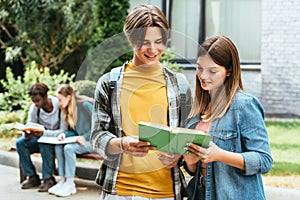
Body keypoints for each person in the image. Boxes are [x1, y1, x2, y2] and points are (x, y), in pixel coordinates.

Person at [90, 4, 192, 200]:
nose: (153, 50)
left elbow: (188, 135)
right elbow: (96, 136)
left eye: (159, 41)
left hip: (166, 193)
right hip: (121, 191)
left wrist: (179, 155)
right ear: (131, 39)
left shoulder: (179, 85)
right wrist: (122, 144)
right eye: (145, 42)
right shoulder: (109, 83)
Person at [183, 36, 273, 199]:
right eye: (199, 68)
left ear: (229, 70)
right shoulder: (197, 110)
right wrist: (190, 161)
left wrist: (219, 155)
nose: (203, 76)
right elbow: (195, 170)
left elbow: (264, 160)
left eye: (212, 71)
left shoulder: (244, 106)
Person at [16, 82, 67, 192]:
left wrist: (44, 134)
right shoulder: (35, 108)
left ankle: (48, 178)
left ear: (45, 96)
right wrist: (27, 133)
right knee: (20, 143)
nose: (36, 104)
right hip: (41, 137)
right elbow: (30, 124)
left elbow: (63, 131)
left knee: (44, 143)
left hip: (57, 140)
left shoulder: (59, 106)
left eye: (38, 100)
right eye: (33, 101)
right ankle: (32, 176)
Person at [47, 84, 94, 197]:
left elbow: (100, 126)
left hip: (95, 141)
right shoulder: (68, 109)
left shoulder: (85, 105)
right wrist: (65, 134)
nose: (58, 102)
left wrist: (85, 136)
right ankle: (62, 180)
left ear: (68, 97)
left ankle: (70, 183)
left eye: (60, 99)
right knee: (59, 145)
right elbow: (74, 132)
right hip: (81, 141)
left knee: (69, 148)